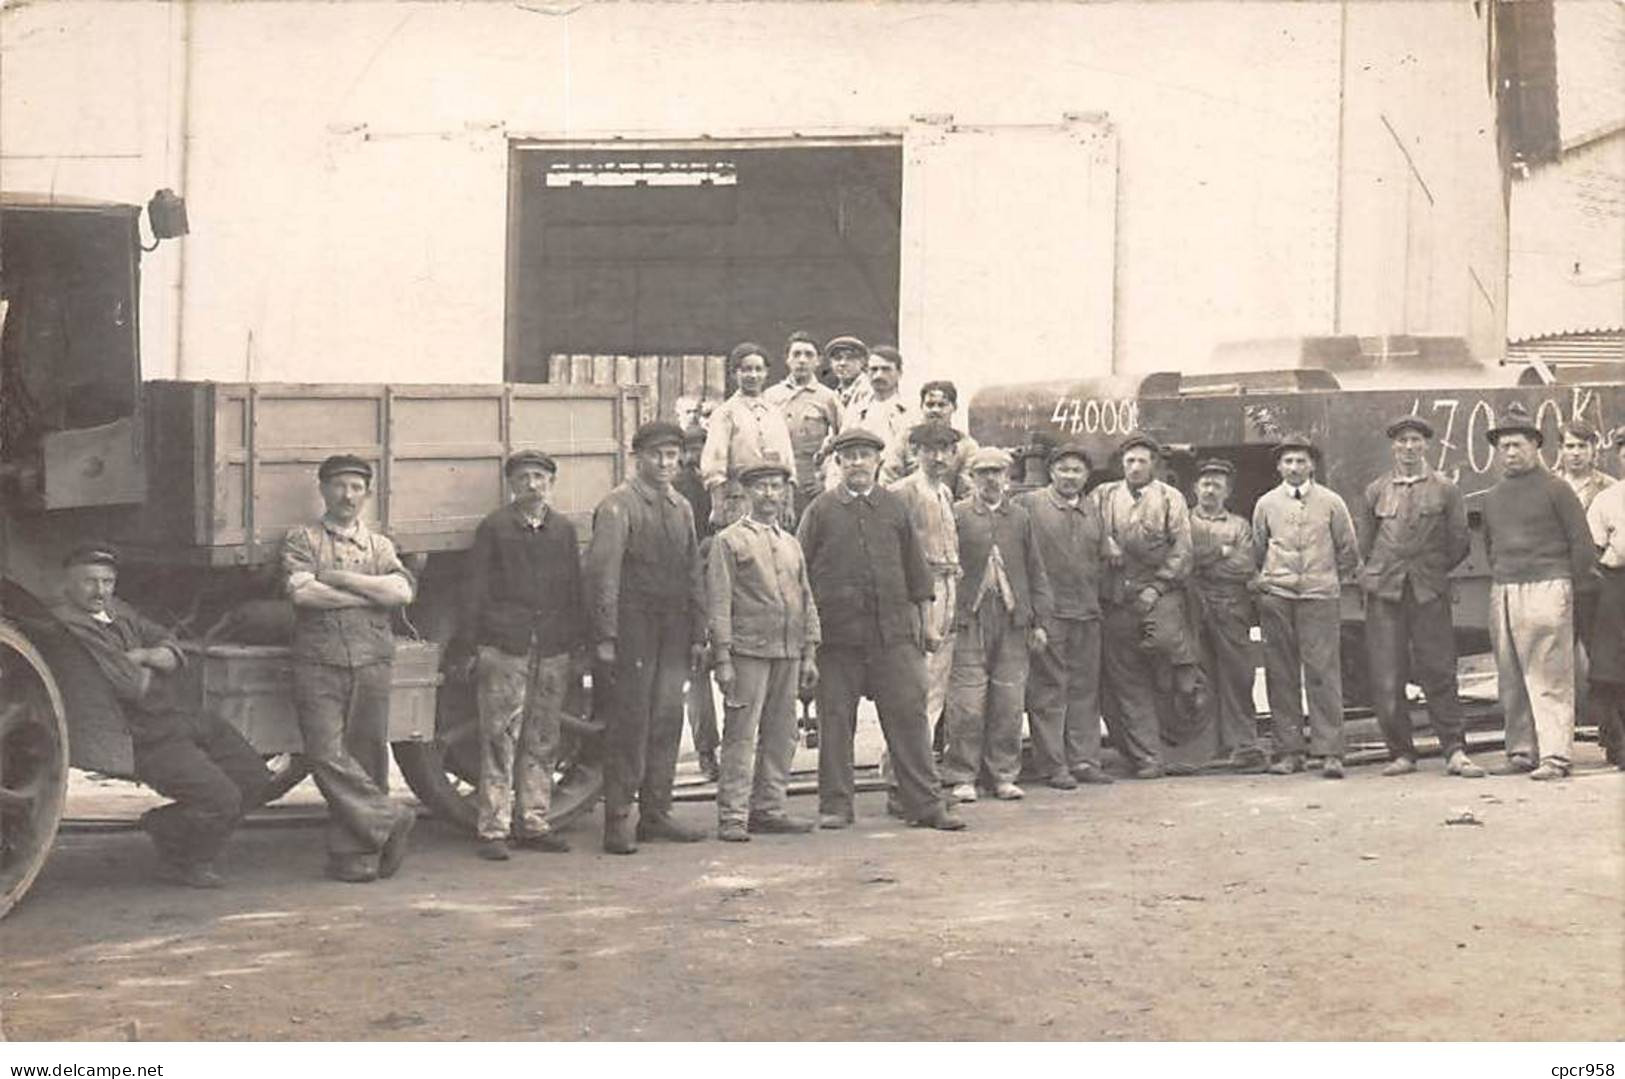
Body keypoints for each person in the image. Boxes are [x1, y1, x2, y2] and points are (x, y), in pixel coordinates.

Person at [51, 545, 268, 888]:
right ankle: (184, 861)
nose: (100, 591)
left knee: (256, 779)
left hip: (178, 715)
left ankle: (167, 824)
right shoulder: (67, 625)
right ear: (68, 584)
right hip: (141, 732)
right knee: (222, 799)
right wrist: (158, 660)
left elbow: (172, 645)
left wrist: (145, 655)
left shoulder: (116, 609)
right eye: (89, 582)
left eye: (107, 581)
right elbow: (130, 685)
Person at [797, 427, 965, 832]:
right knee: (836, 721)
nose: (857, 463)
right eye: (849, 456)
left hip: (893, 636)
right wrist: (808, 640)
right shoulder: (820, 511)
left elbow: (917, 573)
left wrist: (925, 627)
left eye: (865, 456)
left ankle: (923, 803)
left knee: (909, 717)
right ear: (837, 463)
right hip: (837, 640)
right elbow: (798, 575)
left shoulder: (893, 508)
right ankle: (836, 805)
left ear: (877, 462)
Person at [281, 454, 418, 882]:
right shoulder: (302, 539)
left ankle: (356, 855)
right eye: (339, 486)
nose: (347, 495)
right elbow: (302, 593)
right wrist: (369, 597)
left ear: (367, 495)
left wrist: (342, 581)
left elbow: (401, 591)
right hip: (318, 660)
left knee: (367, 755)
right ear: (322, 490)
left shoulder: (379, 545)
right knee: (324, 753)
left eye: (356, 487)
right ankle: (389, 818)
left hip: (372, 659)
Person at [586, 421, 709, 853]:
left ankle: (656, 814)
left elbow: (693, 571)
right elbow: (603, 576)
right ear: (637, 457)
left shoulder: (681, 507)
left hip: (673, 628)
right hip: (633, 630)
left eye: (672, 455)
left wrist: (698, 631)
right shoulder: (619, 506)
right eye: (656, 454)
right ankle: (618, 818)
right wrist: (606, 635)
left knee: (667, 719)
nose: (665, 463)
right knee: (630, 723)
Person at [455, 449, 583, 861]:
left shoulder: (562, 530)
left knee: (543, 737)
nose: (532, 485)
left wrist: (573, 642)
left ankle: (534, 822)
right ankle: (493, 828)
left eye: (540, 477)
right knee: (498, 736)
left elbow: (574, 590)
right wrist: (475, 642)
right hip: (505, 646)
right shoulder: (494, 528)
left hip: (551, 647)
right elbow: (474, 589)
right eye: (524, 477)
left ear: (551, 484)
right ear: (511, 485)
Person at [1358, 416, 1483, 779]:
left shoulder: (1445, 489)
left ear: (1426, 444)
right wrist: (1381, 574)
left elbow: (1459, 541)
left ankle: (1455, 750)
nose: (1409, 447)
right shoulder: (1376, 490)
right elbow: (1365, 543)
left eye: (1415, 440)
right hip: (1386, 593)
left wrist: (1431, 570)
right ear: (1393, 447)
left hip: (1429, 592)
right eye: (1402, 441)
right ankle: (1401, 753)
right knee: (1386, 675)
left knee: (1439, 669)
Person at [1479, 403, 1596, 780]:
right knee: (1510, 674)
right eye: (1504, 446)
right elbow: (1490, 545)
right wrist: (1505, 581)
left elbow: (1581, 545)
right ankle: (1521, 751)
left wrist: (1569, 591)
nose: (1510, 453)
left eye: (1517, 445)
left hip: (1550, 587)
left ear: (1536, 447)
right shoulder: (1493, 495)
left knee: (1549, 675)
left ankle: (1556, 756)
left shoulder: (1557, 489)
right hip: (1506, 589)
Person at [707, 461, 822, 842]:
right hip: (747, 652)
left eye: (776, 487)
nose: (770, 494)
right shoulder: (730, 541)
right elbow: (719, 603)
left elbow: (806, 599)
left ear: (786, 492)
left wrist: (809, 652)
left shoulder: (790, 543)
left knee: (782, 733)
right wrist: (722, 658)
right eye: (762, 487)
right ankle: (733, 816)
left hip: (787, 652)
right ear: (746, 493)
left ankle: (769, 808)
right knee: (741, 734)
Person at [941, 447, 1053, 802]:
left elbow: (1035, 569)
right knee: (967, 702)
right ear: (970, 478)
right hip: (968, 620)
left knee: (1008, 699)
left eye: (998, 472)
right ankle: (963, 775)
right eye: (983, 472)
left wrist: (1038, 621)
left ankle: (1004, 774)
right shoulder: (956, 515)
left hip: (1012, 620)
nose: (991, 479)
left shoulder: (1019, 517)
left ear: (1008, 477)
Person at [1250, 433, 1361, 779]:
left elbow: (1348, 549)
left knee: (1322, 673)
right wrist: (1268, 582)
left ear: (1312, 465)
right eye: (1288, 461)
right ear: (1279, 466)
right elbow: (1258, 547)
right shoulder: (1266, 504)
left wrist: (1327, 580)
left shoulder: (1331, 502)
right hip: (1278, 597)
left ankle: (1330, 752)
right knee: (1281, 674)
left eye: (1300, 461)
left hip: (1319, 597)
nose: (1294, 467)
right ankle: (1289, 751)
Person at [1094, 432, 1203, 779]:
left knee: (1165, 646)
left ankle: (1178, 682)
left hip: (1159, 591)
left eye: (1142, 461)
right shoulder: (1104, 496)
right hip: (1117, 596)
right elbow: (1086, 528)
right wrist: (1105, 541)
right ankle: (1146, 757)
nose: (1135, 467)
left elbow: (1183, 549)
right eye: (1130, 461)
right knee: (1125, 680)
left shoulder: (1170, 498)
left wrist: (1157, 588)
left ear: (1154, 464)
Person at [1018, 442, 1114, 788]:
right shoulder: (1029, 505)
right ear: (1051, 472)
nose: (1070, 476)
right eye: (1063, 469)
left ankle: (1085, 760)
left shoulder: (1093, 511)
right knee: (1048, 691)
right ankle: (1053, 765)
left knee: (1085, 691)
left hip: (1087, 613)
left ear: (1087, 476)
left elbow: (1103, 558)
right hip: (1050, 614)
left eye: (1077, 470)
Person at [887, 422, 964, 755]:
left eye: (945, 449)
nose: (938, 457)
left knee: (936, 686)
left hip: (948, 589)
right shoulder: (903, 492)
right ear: (915, 452)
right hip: (919, 594)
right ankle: (899, 771)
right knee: (914, 686)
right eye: (929, 449)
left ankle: (919, 768)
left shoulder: (945, 492)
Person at [1187, 458, 1267, 773]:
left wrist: (1201, 560)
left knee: (1238, 675)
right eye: (1205, 483)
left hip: (1232, 606)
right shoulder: (1184, 522)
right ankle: (1206, 747)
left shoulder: (1239, 526)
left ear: (1227, 491)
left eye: (1217, 485)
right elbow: (1183, 560)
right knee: (1200, 675)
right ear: (1195, 488)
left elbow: (1244, 566)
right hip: (1193, 606)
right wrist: (1220, 553)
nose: (1210, 490)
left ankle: (1243, 744)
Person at [700, 342, 795, 528]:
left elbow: (787, 460)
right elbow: (715, 463)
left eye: (758, 369)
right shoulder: (725, 413)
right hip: (739, 500)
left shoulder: (775, 413)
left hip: (772, 502)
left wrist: (788, 504)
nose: (753, 375)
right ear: (735, 373)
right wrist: (718, 507)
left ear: (766, 373)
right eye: (746, 369)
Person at [674, 423, 721, 781]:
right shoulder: (677, 490)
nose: (695, 455)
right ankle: (706, 752)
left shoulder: (724, 485)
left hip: (725, 582)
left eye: (701, 447)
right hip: (692, 585)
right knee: (698, 671)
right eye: (689, 448)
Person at [764, 330, 843, 524]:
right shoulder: (770, 396)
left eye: (808, 355)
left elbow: (842, 441)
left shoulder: (828, 398)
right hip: (775, 482)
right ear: (787, 359)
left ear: (818, 361)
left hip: (811, 484)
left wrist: (825, 479)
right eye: (796, 354)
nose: (802, 360)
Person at [1584, 424, 1625, 769]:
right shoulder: (1608, 498)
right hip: (1617, 584)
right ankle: (1618, 745)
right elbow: (1593, 548)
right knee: (1612, 667)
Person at [881, 380, 980, 494]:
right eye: (930, 405)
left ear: (954, 407)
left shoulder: (966, 446)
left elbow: (968, 490)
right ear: (922, 407)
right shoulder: (905, 439)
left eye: (942, 405)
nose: (935, 410)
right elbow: (888, 479)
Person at [822, 334, 872, 410]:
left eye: (850, 358)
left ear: (862, 362)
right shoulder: (834, 394)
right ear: (831, 364)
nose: (842, 363)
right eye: (837, 358)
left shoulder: (870, 390)